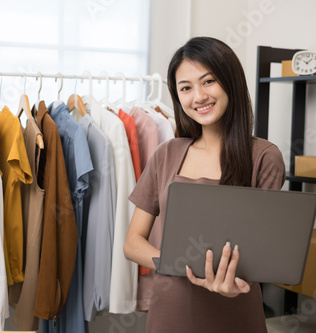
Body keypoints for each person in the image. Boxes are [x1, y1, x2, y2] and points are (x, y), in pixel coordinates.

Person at [123, 36, 286, 332]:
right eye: (185, 88)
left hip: (235, 312)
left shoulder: (264, 156)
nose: (198, 97)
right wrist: (180, 261)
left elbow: (262, 255)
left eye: (208, 81)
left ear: (230, 81)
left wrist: (234, 285)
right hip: (168, 312)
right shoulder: (166, 154)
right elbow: (133, 243)